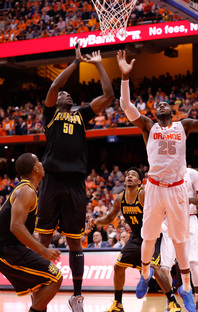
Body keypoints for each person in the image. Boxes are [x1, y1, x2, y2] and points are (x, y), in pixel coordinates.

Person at [116, 50, 198, 312]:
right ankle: (145, 273)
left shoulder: (183, 126)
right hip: (153, 188)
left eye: (165, 104)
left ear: (172, 111)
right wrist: (125, 77)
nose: (160, 105)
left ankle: (185, 287)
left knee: (181, 240)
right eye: (157, 104)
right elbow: (126, 107)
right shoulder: (149, 126)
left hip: (177, 190)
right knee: (148, 236)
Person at [35, 44, 114, 312]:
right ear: (57, 101)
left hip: (76, 184)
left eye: (70, 94)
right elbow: (55, 86)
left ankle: (77, 296)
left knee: (74, 242)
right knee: (43, 238)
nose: (67, 95)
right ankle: (37, 287)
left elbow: (108, 95)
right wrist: (75, 63)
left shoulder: (81, 115)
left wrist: (100, 64)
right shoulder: (50, 114)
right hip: (52, 181)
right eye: (64, 94)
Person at [90, 167, 182, 312]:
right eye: (127, 175)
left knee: (154, 267)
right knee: (118, 267)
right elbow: (109, 217)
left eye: (133, 175)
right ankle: (118, 304)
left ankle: (172, 302)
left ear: (140, 181)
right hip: (135, 237)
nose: (129, 177)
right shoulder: (120, 198)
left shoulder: (143, 194)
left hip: (152, 235)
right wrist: (96, 222)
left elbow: (159, 211)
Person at [0, 153, 62, 312]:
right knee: (56, 277)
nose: (42, 164)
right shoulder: (27, 191)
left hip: (11, 248)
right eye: (39, 162)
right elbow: (16, 227)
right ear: (35, 169)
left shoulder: (23, 189)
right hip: (8, 250)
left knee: (40, 283)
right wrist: (43, 250)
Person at [160, 168, 198, 312]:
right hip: (169, 220)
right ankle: (171, 301)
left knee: (193, 264)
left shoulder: (192, 173)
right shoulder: (162, 174)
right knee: (165, 268)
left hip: (189, 219)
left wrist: (188, 200)